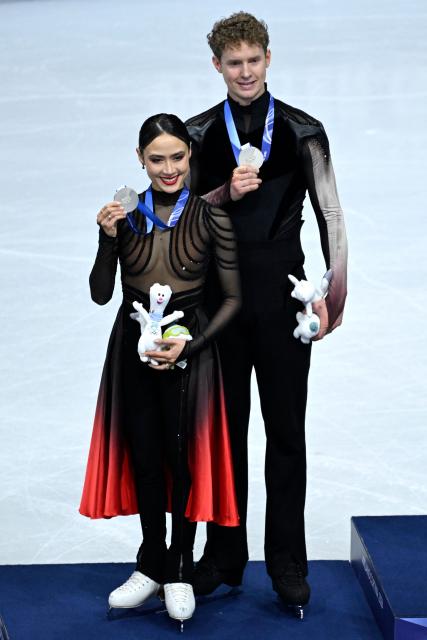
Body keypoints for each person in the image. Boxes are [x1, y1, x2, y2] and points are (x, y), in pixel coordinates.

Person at [185, 12, 348, 614]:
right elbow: (180, 218)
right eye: (234, 63)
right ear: (217, 67)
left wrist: (334, 298)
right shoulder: (200, 133)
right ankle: (223, 557)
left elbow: (331, 216)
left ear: (269, 59)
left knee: (286, 434)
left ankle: (287, 564)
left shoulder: (304, 130)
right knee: (222, 437)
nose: (245, 72)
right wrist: (225, 192)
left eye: (254, 60)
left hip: (284, 302)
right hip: (219, 305)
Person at [79, 113, 241, 626]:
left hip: (190, 349)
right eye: (156, 159)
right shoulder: (125, 217)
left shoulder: (212, 217)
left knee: (183, 462)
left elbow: (233, 300)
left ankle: (178, 569)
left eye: (177, 157)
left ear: (190, 157)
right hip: (132, 346)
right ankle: (150, 562)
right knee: (145, 456)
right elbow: (101, 292)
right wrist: (107, 239)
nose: (168, 169)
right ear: (140, 160)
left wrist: (190, 347)